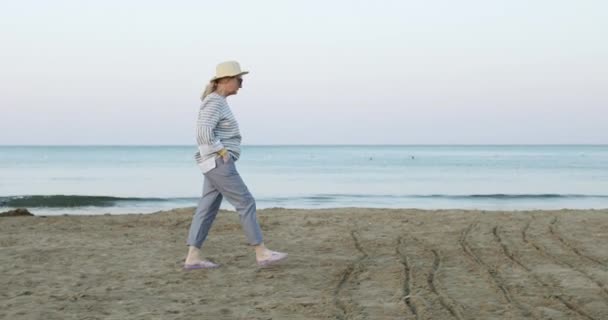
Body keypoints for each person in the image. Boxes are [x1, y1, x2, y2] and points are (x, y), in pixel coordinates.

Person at [184, 61, 287, 270]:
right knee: (246, 201)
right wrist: (222, 151)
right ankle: (262, 252)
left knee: (207, 207)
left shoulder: (218, 101)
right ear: (225, 80)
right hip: (219, 162)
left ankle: (193, 257)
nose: (241, 85)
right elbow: (203, 133)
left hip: (213, 163)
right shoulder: (214, 102)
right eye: (239, 80)